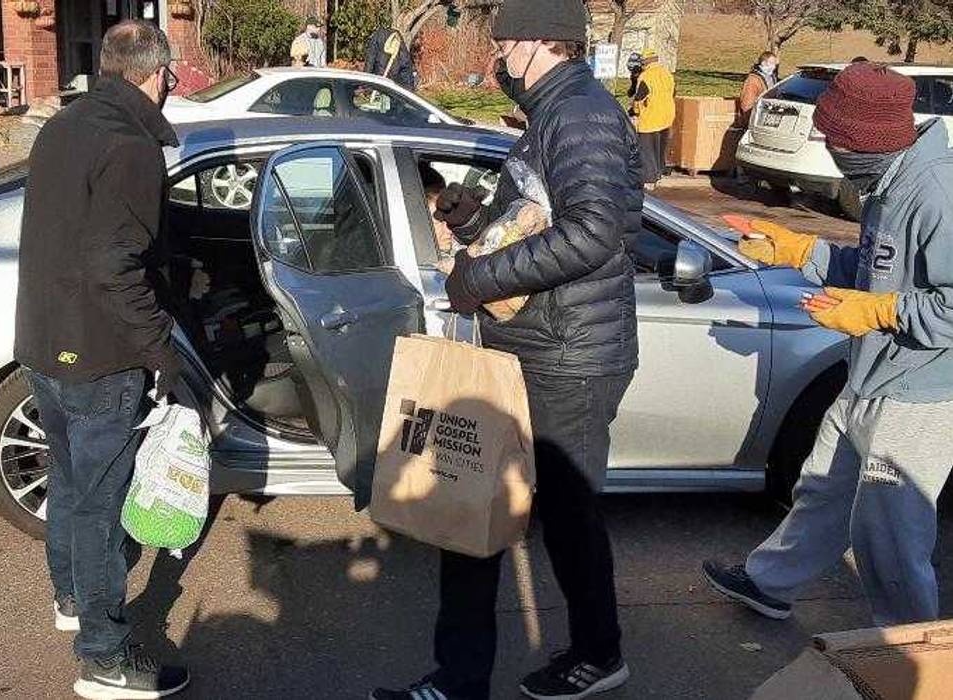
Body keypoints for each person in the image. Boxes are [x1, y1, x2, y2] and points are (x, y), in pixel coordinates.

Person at [372, 0, 643, 698]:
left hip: (568, 356)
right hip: (535, 345)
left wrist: (478, 279)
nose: (497, 58)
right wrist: (477, 225)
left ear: (537, 41)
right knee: (476, 503)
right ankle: (460, 679)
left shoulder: (578, 114)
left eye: (504, 44)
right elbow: (537, 220)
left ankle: (596, 654)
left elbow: (593, 231)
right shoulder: (555, 112)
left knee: (564, 519)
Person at [703, 63, 953, 629]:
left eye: (833, 137)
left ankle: (910, 650)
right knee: (823, 487)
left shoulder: (937, 192)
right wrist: (799, 252)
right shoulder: (886, 182)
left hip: (920, 393)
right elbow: (872, 269)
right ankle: (770, 583)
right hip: (871, 371)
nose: (825, 143)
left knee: (889, 532)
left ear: (865, 140)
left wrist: (881, 311)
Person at [14, 19, 189, 700]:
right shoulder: (132, 146)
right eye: (170, 75)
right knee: (99, 509)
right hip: (100, 357)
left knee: (69, 486)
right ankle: (105, 659)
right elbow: (115, 265)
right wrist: (160, 350)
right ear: (158, 74)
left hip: (44, 344)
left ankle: (70, 597)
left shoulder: (65, 124)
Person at [631, 48, 675, 188]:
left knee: (647, 150)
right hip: (666, 117)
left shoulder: (646, 76)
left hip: (649, 118)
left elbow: (640, 97)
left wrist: (635, 111)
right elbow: (673, 92)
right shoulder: (667, 73)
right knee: (659, 149)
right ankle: (659, 173)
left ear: (644, 62)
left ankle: (649, 179)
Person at [738, 51, 779, 123]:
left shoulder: (772, 77)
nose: (773, 66)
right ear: (763, 63)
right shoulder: (752, 80)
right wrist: (751, 119)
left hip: (767, 115)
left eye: (775, 64)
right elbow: (747, 103)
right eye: (771, 63)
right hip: (755, 117)